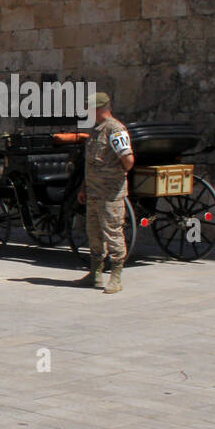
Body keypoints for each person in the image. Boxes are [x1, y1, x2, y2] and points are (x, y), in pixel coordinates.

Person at [78, 92, 135, 294]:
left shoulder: (116, 130)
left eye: (89, 108)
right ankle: (95, 273)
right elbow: (91, 163)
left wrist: (112, 173)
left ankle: (116, 276)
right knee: (93, 233)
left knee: (112, 233)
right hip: (94, 192)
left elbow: (128, 161)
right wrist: (84, 187)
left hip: (110, 194)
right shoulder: (95, 131)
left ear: (99, 108)